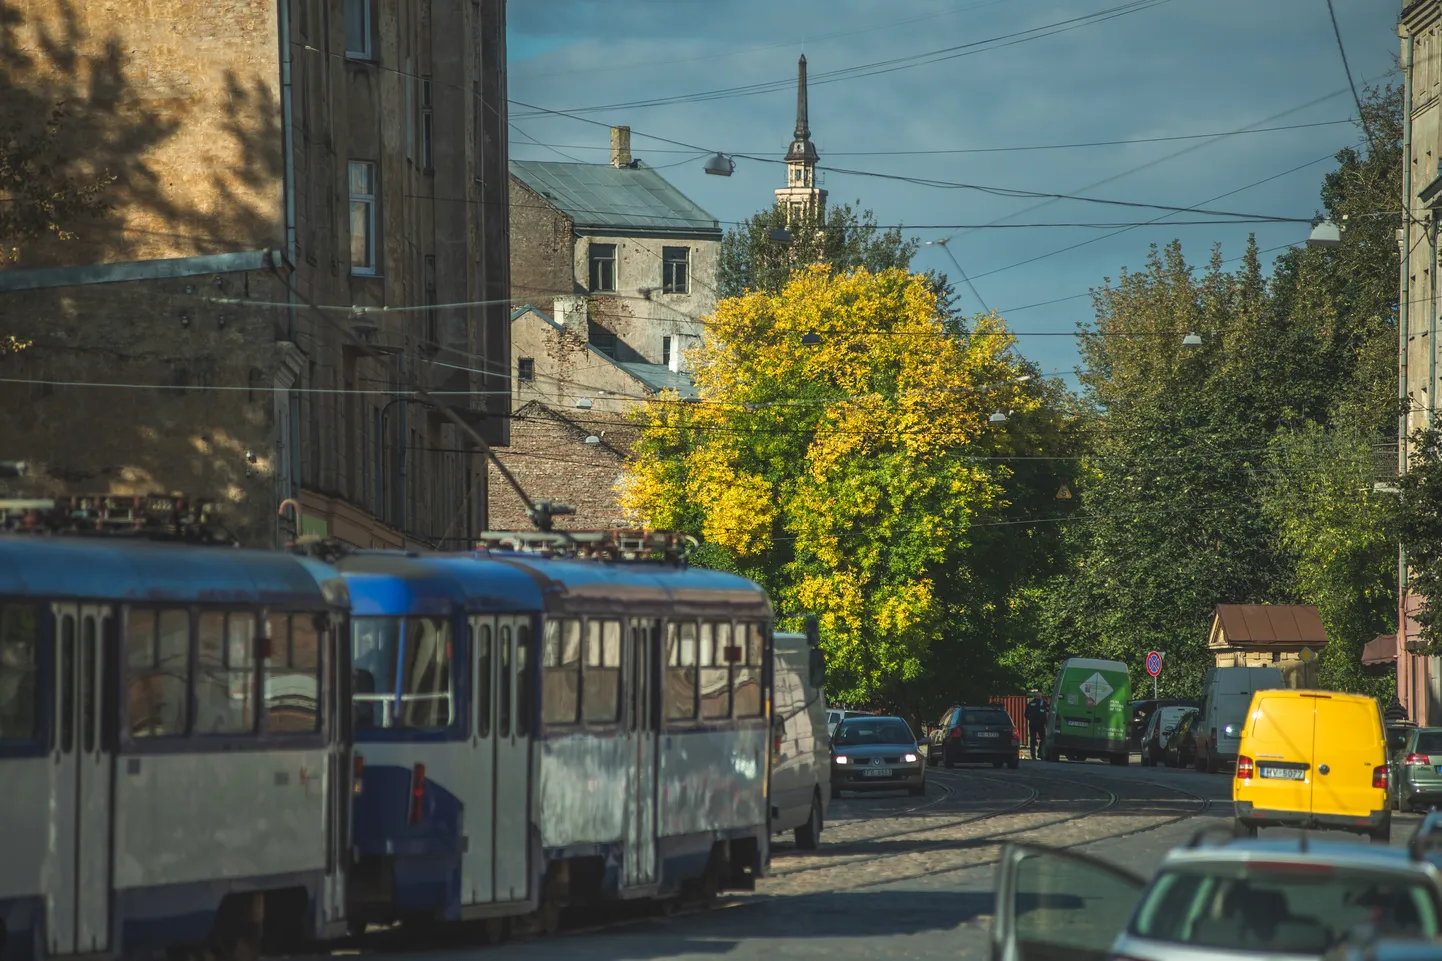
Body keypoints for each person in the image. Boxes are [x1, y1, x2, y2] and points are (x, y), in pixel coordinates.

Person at [1025, 691, 1048, 759]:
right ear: (1039, 696)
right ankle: (1040, 752)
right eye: (1040, 696)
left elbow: (1026, 714)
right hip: (1040, 724)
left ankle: (1033, 755)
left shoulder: (1030, 704)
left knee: (1033, 740)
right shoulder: (1043, 703)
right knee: (1043, 739)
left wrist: (1031, 719)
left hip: (1033, 724)